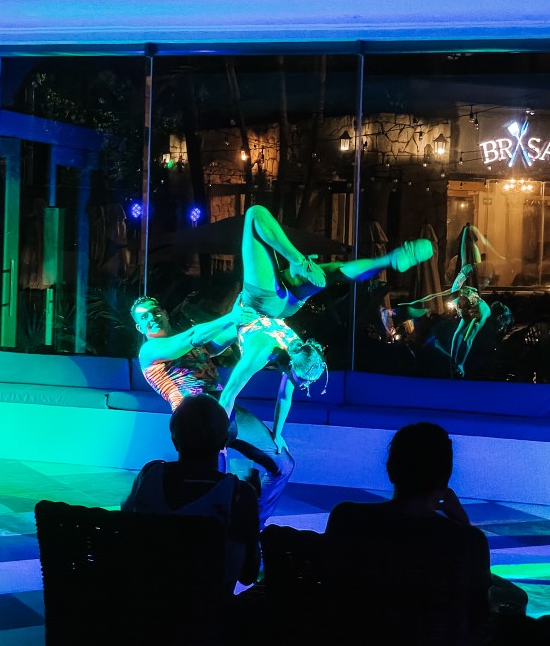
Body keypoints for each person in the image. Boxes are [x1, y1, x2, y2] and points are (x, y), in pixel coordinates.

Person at [320, 422, 492, 646]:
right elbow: (478, 626)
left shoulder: (348, 522)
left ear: (391, 469)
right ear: (445, 479)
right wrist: (463, 527)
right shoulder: (465, 544)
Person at [218, 205, 434, 439]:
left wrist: (276, 434)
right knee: (254, 214)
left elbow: (277, 395)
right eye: (300, 382)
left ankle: (386, 260)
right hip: (264, 303)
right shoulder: (264, 353)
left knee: (334, 274)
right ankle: (300, 261)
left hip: (282, 306)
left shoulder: (296, 353)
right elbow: (230, 395)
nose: (300, 386)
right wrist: (220, 437)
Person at [130, 294, 294, 526]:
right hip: (196, 420)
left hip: (226, 410)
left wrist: (251, 312)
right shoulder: (150, 350)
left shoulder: (192, 345)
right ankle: (215, 539)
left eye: (155, 311)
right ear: (140, 327)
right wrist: (232, 316)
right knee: (212, 490)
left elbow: (232, 330)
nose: (153, 318)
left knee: (284, 465)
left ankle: (253, 526)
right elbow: (194, 336)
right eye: (145, 317)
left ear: (165, 313)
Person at [121, 393, 261, 591]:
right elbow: (249, 574)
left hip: (146, 602)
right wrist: (252, 504)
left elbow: (126, 532)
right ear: (224, 442)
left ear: (174, 440)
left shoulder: (149, 476)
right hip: (206, 613)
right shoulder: (238, 494)